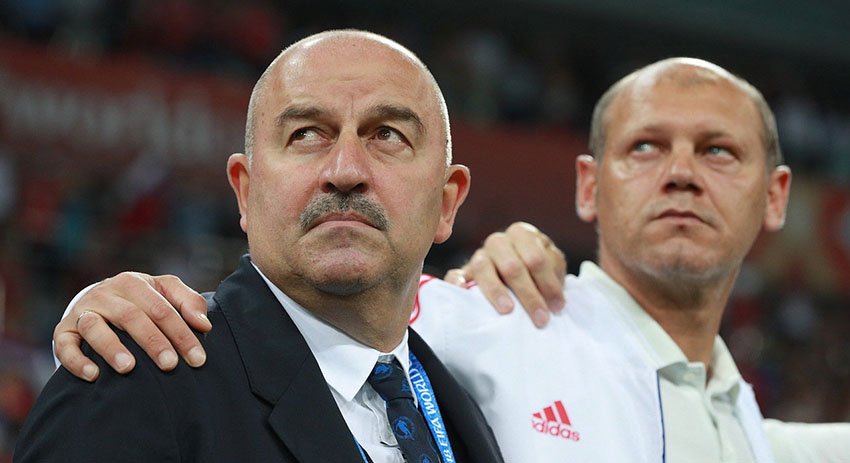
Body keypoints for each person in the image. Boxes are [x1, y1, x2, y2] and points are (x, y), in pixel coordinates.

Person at [47, 58, 850, 461]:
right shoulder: (496, 314)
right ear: (588, 184)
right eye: (645, 147)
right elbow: (337, 304)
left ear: (776, 195)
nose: (681, 173)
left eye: (718, 151)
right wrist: (104, 302)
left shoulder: (750, 425)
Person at [14, 30, 505, 463]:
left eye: (388, 135)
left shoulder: (467, 412)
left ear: (446, 203)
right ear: (245, 192)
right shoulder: (134, 382)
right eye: (306, 134)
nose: (346, 171)